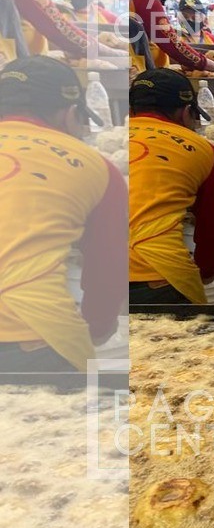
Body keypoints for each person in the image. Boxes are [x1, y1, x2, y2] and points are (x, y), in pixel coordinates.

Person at [0, 57, 124, 371]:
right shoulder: (96, 167)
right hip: (34, 339)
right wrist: (97, 329)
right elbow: (107, 272)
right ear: (70, 113)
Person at [127, 69, 214, 305]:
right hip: (159, 276)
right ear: (186, 112)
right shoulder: (204, 150)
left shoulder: (101, 143)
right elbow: (213, 227)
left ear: (131, 110)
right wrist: (206, 271)